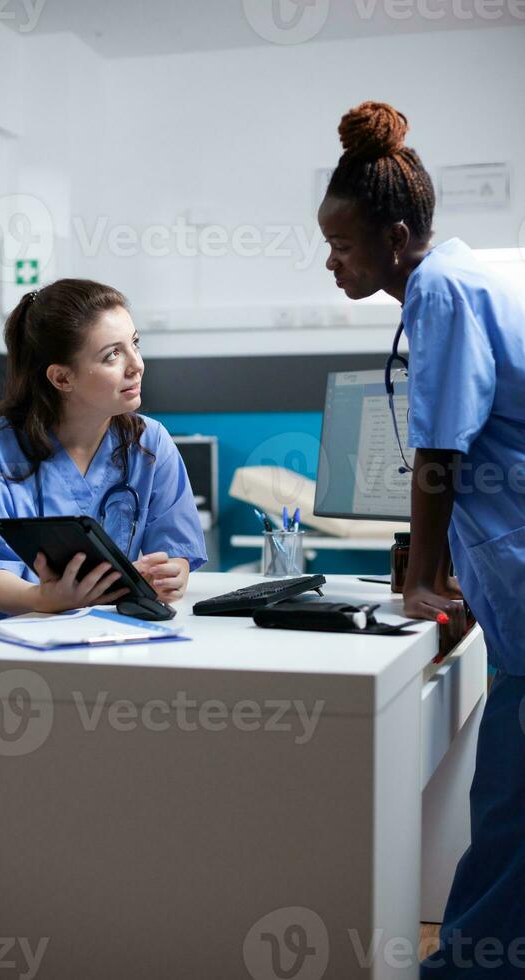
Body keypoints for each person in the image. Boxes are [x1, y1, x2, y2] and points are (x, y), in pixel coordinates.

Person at [317, 101, 525, 977]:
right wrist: (435, 569)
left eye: (344, 247)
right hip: (505, 568)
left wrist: (418, 585)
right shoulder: (462, 273)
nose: (332, 262)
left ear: (397, 236)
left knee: (510, 802)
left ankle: (472, 966)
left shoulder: (440, 287)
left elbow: (439, 454)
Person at [0, 279, 207, 634]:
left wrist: (174, 573)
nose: (136, 365)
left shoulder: (149, 444)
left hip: (98, 631)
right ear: (62, 378)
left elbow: (175, 551)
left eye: (134, 344)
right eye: (112, 354)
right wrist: (41, 599)